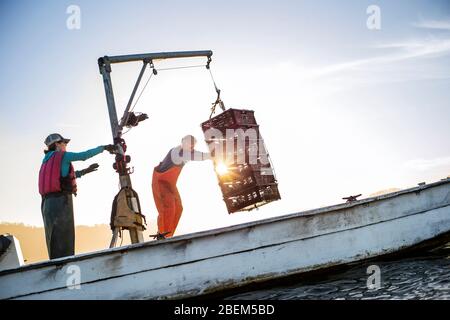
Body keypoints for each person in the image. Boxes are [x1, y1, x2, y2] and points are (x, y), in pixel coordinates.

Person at [38, 133, 115, 259]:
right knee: (64, 240)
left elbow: (63, 178)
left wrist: (85, 171)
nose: (66, 145)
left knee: (53, 240)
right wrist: (104, 148)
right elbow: (84, 156)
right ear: (57, 144)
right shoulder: (63, 156)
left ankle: (55, 267)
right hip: (61, 202)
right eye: (64, 143)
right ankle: (65, 268)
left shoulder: (46, 160)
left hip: (46, 205)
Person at [152, 135, 211, 239]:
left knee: (179, 208)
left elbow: (202, 156)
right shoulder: (175, 152)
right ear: (183, 142)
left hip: (170, 184)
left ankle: (168, 235)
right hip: (160, 182)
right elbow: (193, 156)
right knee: (168, 206)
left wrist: (214, 155)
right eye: (189, 144)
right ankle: (162, 235)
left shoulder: (189, 153)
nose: (191, 147)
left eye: (193, 145)